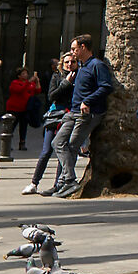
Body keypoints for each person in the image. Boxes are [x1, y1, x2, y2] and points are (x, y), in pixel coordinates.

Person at [44, 33, 115, 198]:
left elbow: (105, 86)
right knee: (58, 142)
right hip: (73, 112)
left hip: (87, 113)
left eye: (74, 49)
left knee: (72, 146)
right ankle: (67, 180)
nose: (72, 52)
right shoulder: (81, 67)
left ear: (84, 47)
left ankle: (66, 182)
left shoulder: (97, 65)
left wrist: (88, 101)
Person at [24, 51, 74, 196]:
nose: (70, 65)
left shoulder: (80, 77)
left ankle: (58, 184)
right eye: (67, 62)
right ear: (62, 64)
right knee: (46, 150)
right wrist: (66, 83)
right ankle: (34, 182)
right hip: (55, 116)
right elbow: (52, 96)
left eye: (73, 62)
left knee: (61, 151)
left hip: (69, 116)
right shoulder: (57, 77)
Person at [4, 62, 42, 159]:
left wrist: (37, 81)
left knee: (23, 126)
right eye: (23, 74)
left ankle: (22, 143)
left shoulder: (29, 84)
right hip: (14, 108)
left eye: (26, 73)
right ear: (19, 76)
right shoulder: (15, 83)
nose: (26, 75)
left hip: (25, 108)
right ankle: (6, 144)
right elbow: (19, 90)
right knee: (11, 126)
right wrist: (29, 82)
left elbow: (37, 91)